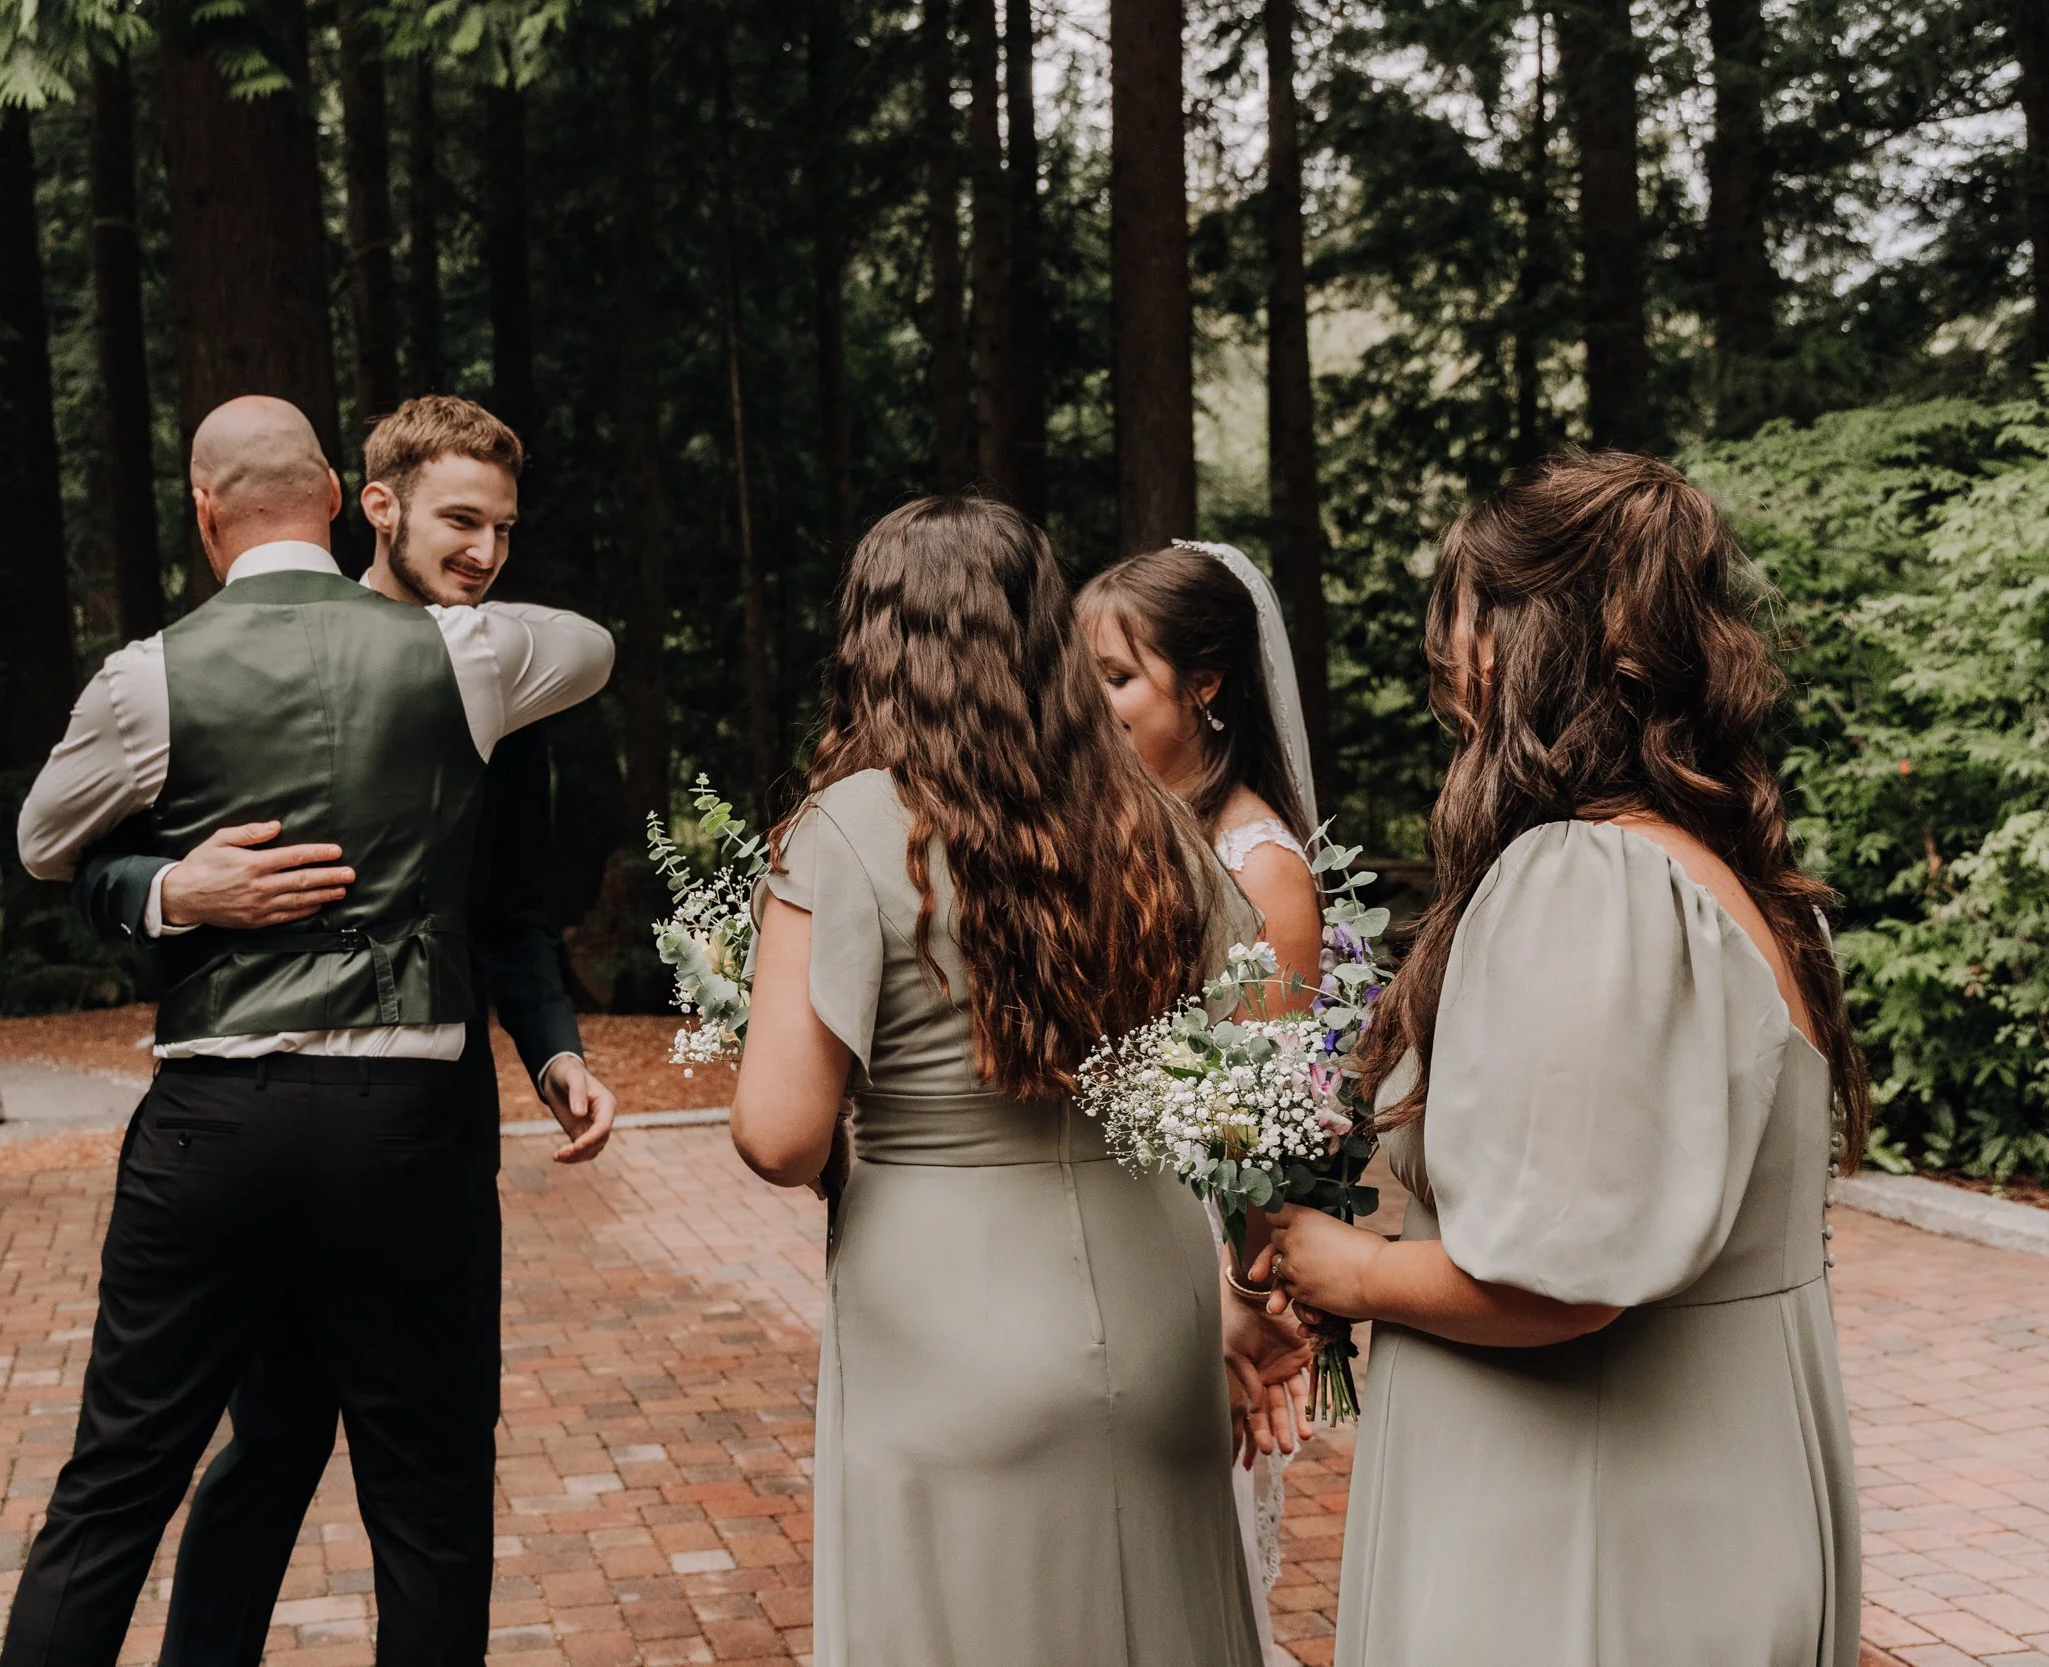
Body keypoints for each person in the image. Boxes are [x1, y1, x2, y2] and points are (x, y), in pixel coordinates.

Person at [4, 394, 615, 1667]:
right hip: (396, 1134)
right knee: (425, 1502)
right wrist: (177, 886)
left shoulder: (146, 674)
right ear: (351, 499)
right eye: (463, 521)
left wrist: (553, 1043)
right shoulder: (480, 662)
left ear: (204, 509)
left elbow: (41, 841)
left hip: (215, 1128)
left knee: (112, 1489)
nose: (486, 550)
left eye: (501, 527)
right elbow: (593, 643)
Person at [1261, 451, 1867, 1667]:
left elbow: (1561, 1272)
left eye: (1463, 619)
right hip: (1694, 1485)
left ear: (1521, 639)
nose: (1447, 666)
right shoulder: (1715, 871)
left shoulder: (1591, 880)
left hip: (1584, 1525)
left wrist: (1349, 1269)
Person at [730, 495, 1266, 1667]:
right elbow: (1242, 1055)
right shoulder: (1152, 822)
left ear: (873, 643)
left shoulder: (852, 828)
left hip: (944, 1310)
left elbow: (778, 1131)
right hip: (1152, 1298)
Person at [1079, 541, 1327, 1655]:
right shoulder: (1094, 829)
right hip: (1077, 1243)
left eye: (1115, 679)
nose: (1089, 706)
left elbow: (1263, 1134)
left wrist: (1234, 1303)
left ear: (1207, 683)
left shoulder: (1260, 868)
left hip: (1192, 1269)